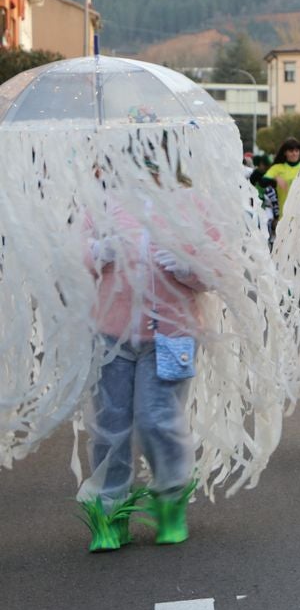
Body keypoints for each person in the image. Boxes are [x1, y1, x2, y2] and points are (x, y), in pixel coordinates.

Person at [78, 155, 217, 552]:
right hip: (110, 335)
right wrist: (95, 253)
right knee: (110, 424)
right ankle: (110, 513)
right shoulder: (102, 205)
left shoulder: (191, 204)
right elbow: (71, 256)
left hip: (171, 334)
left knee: (157, 419)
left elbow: (216, 269)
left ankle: (171, 500)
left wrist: (189, 266)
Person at [261, 137, 300, 219]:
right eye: (291, 151)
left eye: (296, 151)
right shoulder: (277, 168)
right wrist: (276, 178)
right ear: (285, 153)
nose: (294, 153)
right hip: (285, 216)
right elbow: (262, 182)